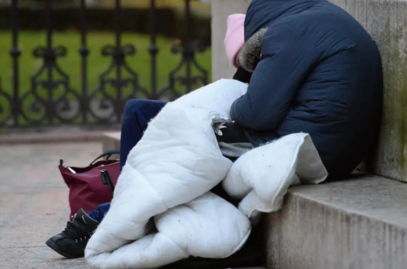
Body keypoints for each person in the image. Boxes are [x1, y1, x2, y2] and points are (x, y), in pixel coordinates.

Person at [46, 14, 258, 260]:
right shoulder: (259, 58)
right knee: (138, 111)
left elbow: (259, 112)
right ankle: (125, 204)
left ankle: (114, 214)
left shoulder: (285, 48)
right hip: (222, 122)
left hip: (240, 138)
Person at [232, 0, 383, 180]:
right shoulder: (328, 17)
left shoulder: (287, 31)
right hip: (346, 157)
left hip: (309, 149)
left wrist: (231, 107)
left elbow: (255, 114)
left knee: (205, 133)